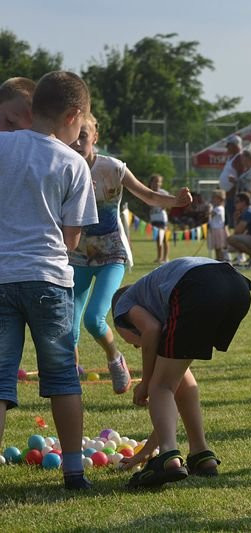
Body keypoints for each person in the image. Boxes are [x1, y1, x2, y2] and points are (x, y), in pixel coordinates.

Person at [0, 71, 98, 489]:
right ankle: (74, 471)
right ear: (74, 115)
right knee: (61, 378)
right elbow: (72, 236)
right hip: (49, 280)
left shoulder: (2, 146)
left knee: (2, 378)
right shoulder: (73, 162)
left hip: (1, 277)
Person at [68, 113, 191, 394]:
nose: (76, 143)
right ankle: (70, 382)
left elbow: (147, 195)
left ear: (95, 138)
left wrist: (175, 201)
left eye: (83, 137)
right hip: (77, 257)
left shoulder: (113, 168)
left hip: (112, 254)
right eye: (73, 137)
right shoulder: (63, 166)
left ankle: (114, 358)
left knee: (94, 319)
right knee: (68, 329)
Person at [111, 257, 251, 488]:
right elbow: (176, 389)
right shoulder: (161, 301)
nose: (136, 347)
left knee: (160, 386)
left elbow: (151, 330)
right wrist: (147, 451)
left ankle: (168, 457)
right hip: (236, 287)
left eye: (130, 341)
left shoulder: (123, 305)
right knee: (173, 382)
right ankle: (200, 454)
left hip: (199, 287)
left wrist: (145, 383)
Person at [219, 134, 243, 229]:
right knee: (229, 221)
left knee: (234, 221)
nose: (227, 148)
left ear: (235, 146)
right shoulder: (232, 157)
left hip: (233, 195)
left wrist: (232, 190)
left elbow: (241, 177)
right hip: (228, 195)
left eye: (229, 145)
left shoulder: (239, 158)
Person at [148, 174, 171, 264]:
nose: (157, 184)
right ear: (151, 183)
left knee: (164, 238)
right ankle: (159, 257)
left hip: (162, 218)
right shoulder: (148, 192)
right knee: (158, 239)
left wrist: (165, 206)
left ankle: (166, 257)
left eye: (159, 182)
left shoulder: (163, 193)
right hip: (154, 218)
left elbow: (170, 203)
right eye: (155, 182)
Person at [207, 189, 228, 261]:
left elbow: (210, 215)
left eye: (213, 198)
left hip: (218, 230)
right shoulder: (217, 208)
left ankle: (221, 259)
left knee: (219, 247)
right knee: (217, 247)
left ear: (219, 199)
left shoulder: (219, 208)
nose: (212, 199)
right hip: (215, 229)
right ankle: (218, 259)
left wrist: (209, 209)